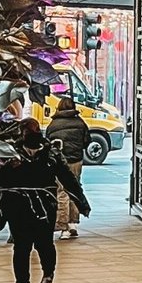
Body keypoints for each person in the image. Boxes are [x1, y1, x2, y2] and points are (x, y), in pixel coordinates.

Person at [0, 117, 90, 283]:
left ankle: (48, 274)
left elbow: (67, 178)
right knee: (21, 247)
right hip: (18, 206)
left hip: (44, 206)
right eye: (25, 131)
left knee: (44, 244)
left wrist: (81, 202)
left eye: (31, 131)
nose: (28, 134)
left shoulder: (51, 153)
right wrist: (9, 168)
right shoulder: (12, 154)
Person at [46, 89, 91, 238]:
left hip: (59, 162)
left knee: (61, 191)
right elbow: (87, 141)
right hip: (76, 160)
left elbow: (48, 143)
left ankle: (63, 225)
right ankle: (73, 223)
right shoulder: (80, 123)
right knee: (75, 188)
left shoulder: (53, 125)